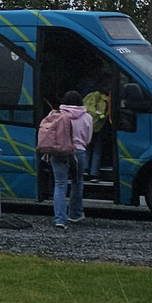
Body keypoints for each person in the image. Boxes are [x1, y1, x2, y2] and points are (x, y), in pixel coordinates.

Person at [41, 90, 94, 229]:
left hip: (58, 152)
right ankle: (75, 214)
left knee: (60, 184)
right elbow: (88, 139)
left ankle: (60, 219)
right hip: (78, 152)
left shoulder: (55, 115)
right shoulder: (87, 117)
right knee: (77, 182)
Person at [82, 73, 113, 181]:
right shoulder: (108, 98)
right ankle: (94, 173)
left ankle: (85, 169)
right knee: (97, 150)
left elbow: (87, 108)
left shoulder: (92, 96)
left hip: (89, 126)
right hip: (100, 126)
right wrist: (101, 115)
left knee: (87, 148)